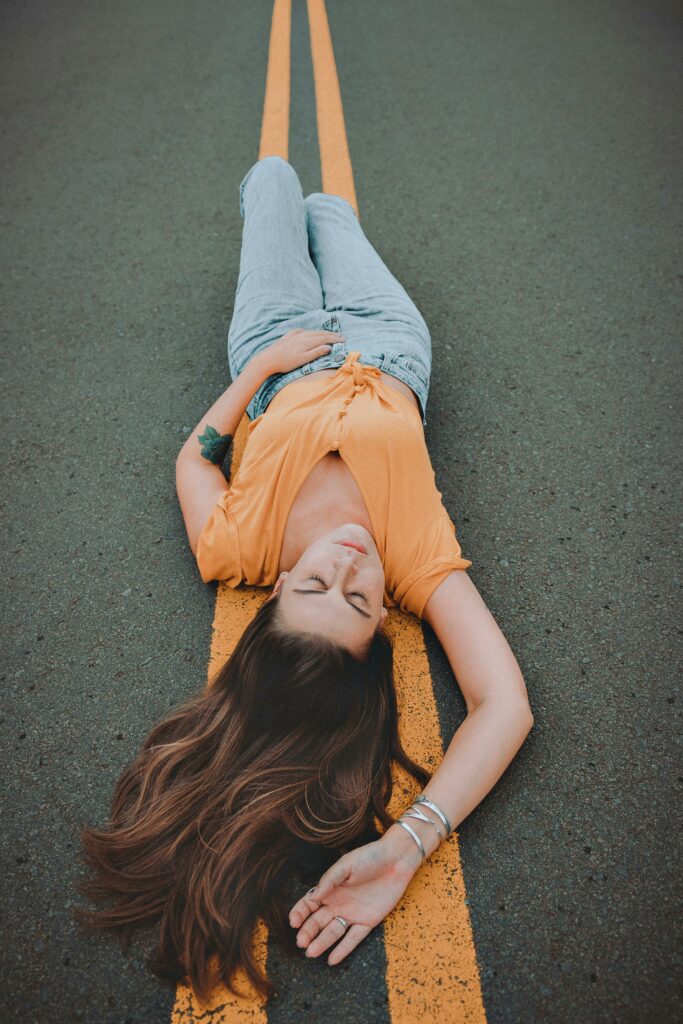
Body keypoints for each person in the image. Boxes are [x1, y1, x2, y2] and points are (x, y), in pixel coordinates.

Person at [74, 156, 534, 1004]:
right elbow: (504, 705)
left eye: (314, 586)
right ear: (380, 625)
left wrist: (260, 368)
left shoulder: (238, 549)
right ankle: (330, 213)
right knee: (329, 208)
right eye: (358, 600)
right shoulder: (414, 560)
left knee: (274, 178)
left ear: (276, 588)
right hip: (392, 344)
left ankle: (280, 202)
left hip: (274, 343)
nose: (349, 567)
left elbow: (192, 459)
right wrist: (407, 845)